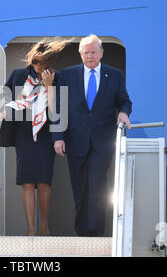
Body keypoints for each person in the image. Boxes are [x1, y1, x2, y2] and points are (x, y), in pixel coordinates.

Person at [53, 35, 132, 237]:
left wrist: (123, 113)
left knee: (98, 185)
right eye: (86, 52)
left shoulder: (114, 75)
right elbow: (59, 109)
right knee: (79, 187)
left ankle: (96, 231)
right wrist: (58, 137)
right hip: (75, 139)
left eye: (93, 52)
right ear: (80, 54)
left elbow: (124, 101)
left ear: (101, 53)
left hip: (102, 141)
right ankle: (82, 231)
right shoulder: (67, 75)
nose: (90, 56)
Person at [0, 39, 69, 236]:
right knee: (26, 182)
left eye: (44, 65)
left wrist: (49, 86)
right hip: (24, 133)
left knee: (43, 181)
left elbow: (55, 111)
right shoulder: (18, 75)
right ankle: (31, 228)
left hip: (45, 133)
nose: (40, 68)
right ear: (33, 61)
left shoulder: (57, 78)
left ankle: (43, 225)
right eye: (37, 64)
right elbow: (9, 101)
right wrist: (1, 115)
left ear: (50, 65)